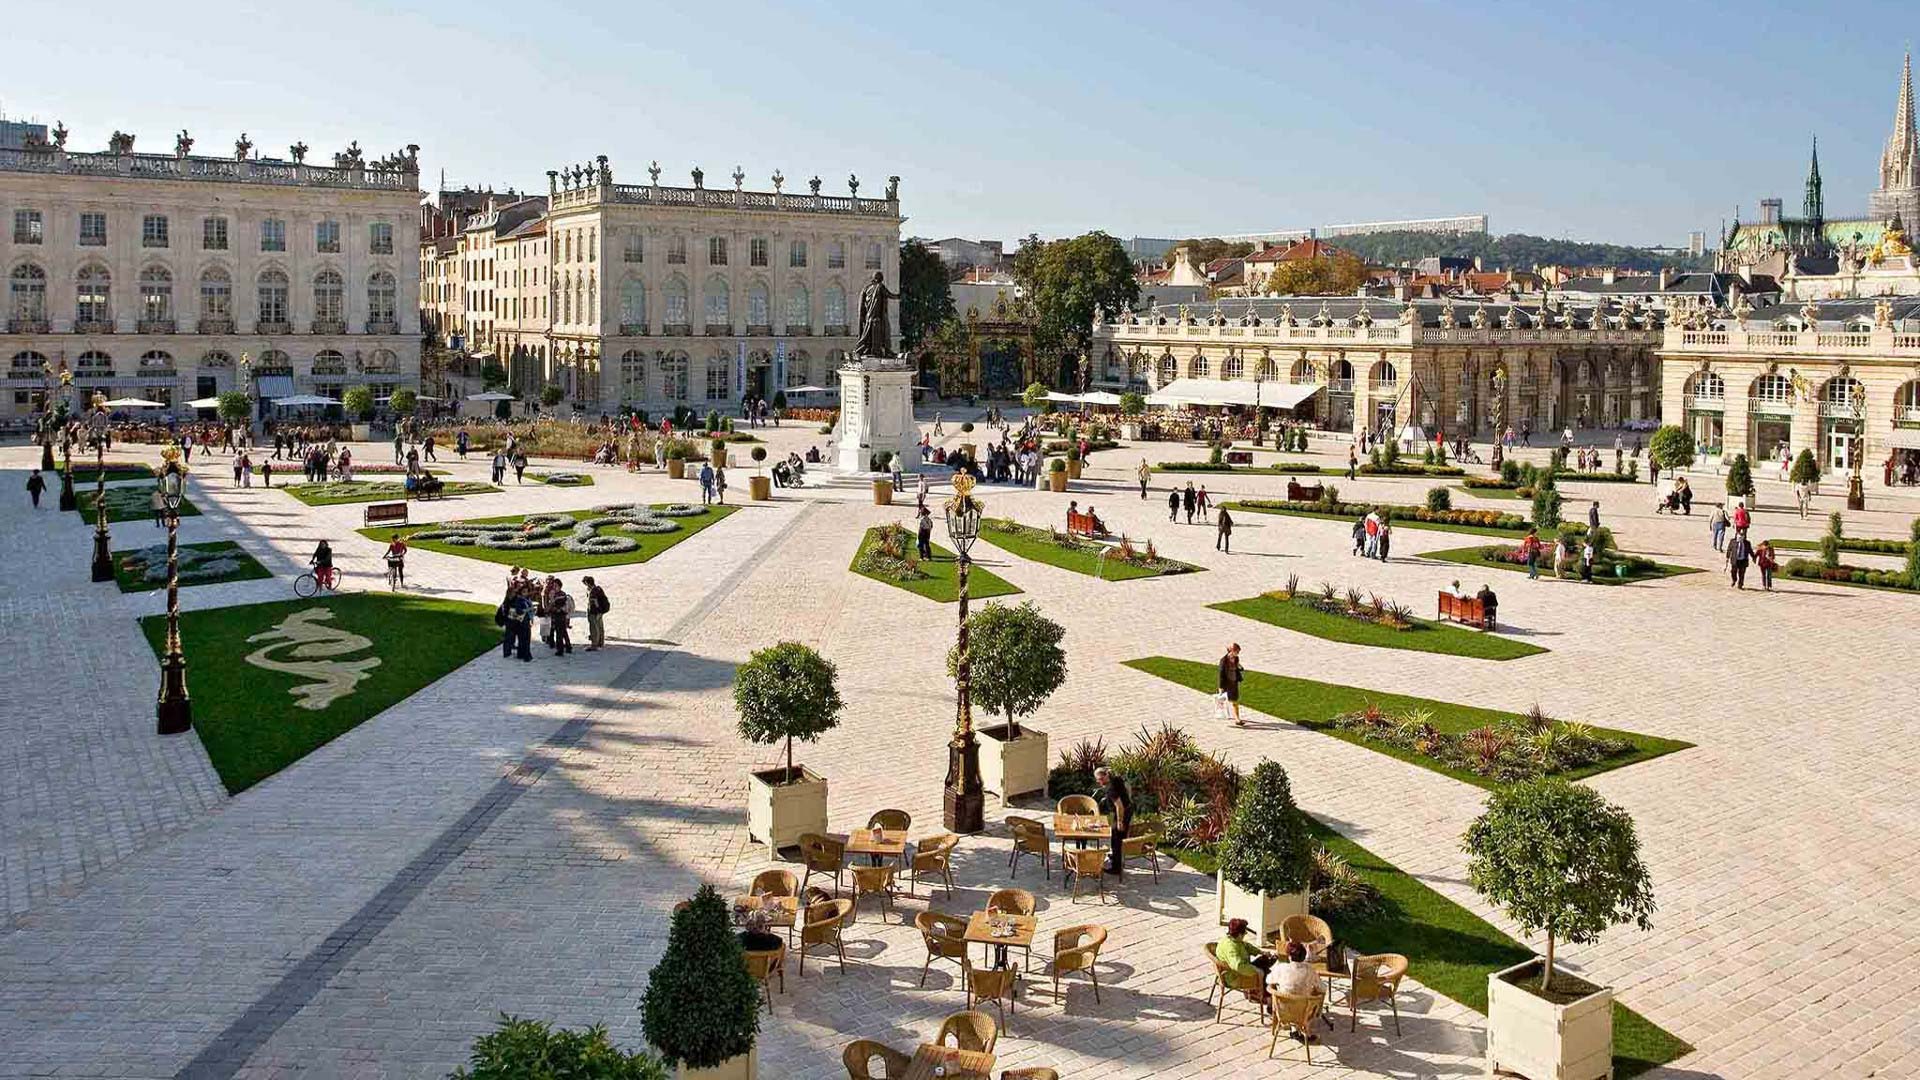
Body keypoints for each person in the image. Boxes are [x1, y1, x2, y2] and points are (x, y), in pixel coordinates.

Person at [1215, 919, 1273, 998]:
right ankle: (1266, 997)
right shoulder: (1231, 948)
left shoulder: (1233, 940)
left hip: (1240, 967)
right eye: (1244, 933)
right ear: (1239, 935)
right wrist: (1257, 971)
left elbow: (1246, 946)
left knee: (1265, 960)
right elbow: (1239, 966)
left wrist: (1261, 952)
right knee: (1265, 972)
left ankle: (1260, 991)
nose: (1245, 935)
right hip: (1234, 976)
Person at [1095, 766, 1131, 875]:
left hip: (1123, 812)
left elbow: (1119, 806)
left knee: (1117, 839)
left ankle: (1116, 868)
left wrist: (1120, 821)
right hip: (1128, 807)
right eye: (1098, 780)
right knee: (1118, 836)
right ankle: (1116, 856)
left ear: (1106, 776)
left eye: (1101, 779)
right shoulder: (1116, 779)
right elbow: (1128, 787)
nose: (1099, 782)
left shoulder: (1111, 789)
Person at [1218, 643, 1244, 727]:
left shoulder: (1236, 658)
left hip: (1234, 681)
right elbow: (1221, 674)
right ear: (1232, 651)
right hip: (1226, 683)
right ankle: (1229, 715)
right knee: (1225, 700)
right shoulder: (1223, 660)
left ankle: (1237, 718)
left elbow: (1237, 666)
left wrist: (1239, 667)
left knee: (1235, 699)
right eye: (1237, 651)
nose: (1238, 653)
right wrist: (1221, 687)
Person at [583, 575, 609, 650]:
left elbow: (594, 602)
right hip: (600, 611)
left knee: (594, 628)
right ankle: (601, 642)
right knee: (600, 626)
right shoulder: (598, 589)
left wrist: (596, 611)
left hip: (594, 612)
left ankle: (594, 645)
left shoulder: (593, 592)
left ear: (588, 583)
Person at [551, 583, 575, 655]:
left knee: (559, 633)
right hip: (561, 615)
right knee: (564, 632)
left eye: (556, 586)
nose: (554, 587)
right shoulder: (559, 594)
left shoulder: (560, 595)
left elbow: (557, 605)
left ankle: (560, 649)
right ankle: (568, 647)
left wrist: (554, 607)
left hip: (560, 615)